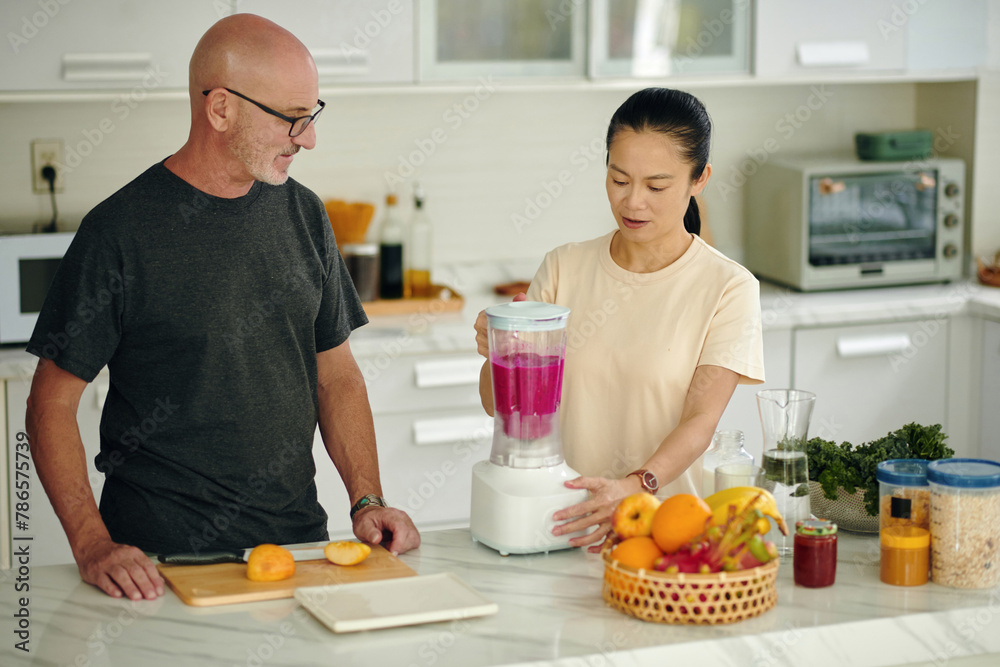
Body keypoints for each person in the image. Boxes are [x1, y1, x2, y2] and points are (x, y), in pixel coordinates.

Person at [24, 14, 419, 601]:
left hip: (296, 550)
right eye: (291, 118)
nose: (308, 137)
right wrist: (90, 542)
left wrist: (368, 499)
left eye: (312, 114)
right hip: (159, 568)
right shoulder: (118, 233)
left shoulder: (304, 215)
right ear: (220, 110)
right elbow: (50, 404)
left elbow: (336, 376)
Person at [475, 87, 764, 552]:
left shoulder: (728, 288)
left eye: (656, 186)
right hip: (559, 529)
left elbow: (700, 421)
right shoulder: (564, 268)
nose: (633, 202)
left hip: (665, 538)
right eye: (618, 179)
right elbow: (500, 407)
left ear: (699, 179)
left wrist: (634, 486)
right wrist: (500, 352)